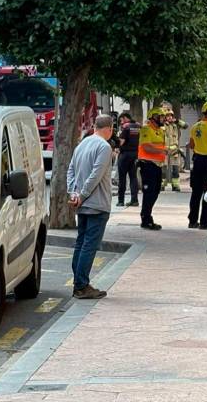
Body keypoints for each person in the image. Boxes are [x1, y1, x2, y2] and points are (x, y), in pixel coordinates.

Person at [67, 115, 114, 300]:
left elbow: (70, 169)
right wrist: (83, 194)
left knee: (81, 243)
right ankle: (81, 285)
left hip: (82, 202)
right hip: (97, 203)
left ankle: (78, 282)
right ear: (109, 128)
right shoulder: (104, 147)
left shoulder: (82, 144)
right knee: (89, 245)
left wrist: (74, 193)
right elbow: (96, 174)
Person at [138, 107, 168, 230]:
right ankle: (146, 219)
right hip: (148, 164)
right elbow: (146, 147)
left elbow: (160, 145)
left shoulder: (161, 131)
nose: (163, 119)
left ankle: (147, 216)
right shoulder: (146, 129)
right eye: (161, 117)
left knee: (155, 191)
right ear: (154, 117)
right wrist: (163, 150)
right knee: (149, 192)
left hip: (157, 165)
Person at [162, 102, 187, 192]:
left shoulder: (176, 124)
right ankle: (162, 185)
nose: (169, 117)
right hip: (164, 150)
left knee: (175, 169)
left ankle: (175, 185)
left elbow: (186, 126)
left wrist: (177, 121)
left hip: (174, 150)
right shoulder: (162, 125)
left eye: (171, 116)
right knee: (163, 169)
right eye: (167, 116)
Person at [116, 113, 140, 207]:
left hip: (125, 155)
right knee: (133, 177)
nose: (121, 123)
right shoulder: (138, 127)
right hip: (135, 154)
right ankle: (134, 200)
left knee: (122, 178)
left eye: (121, 120)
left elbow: (121, 142)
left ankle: (121, 200)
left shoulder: (126, 128)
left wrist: (116, 144)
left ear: (126, 118)